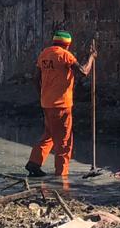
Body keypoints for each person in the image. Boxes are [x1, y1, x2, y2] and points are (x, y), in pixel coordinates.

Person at [25, 30, 96, 180]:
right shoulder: (65, 55)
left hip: (47, 104)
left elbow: (35, 78)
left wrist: (42, 95)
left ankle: (34, 162)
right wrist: (91, 57)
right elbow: (83, 72)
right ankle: (61, 177)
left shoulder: (44, 54)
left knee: (49, 135)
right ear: (67, 45)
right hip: (62, 105)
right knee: (64, 142)